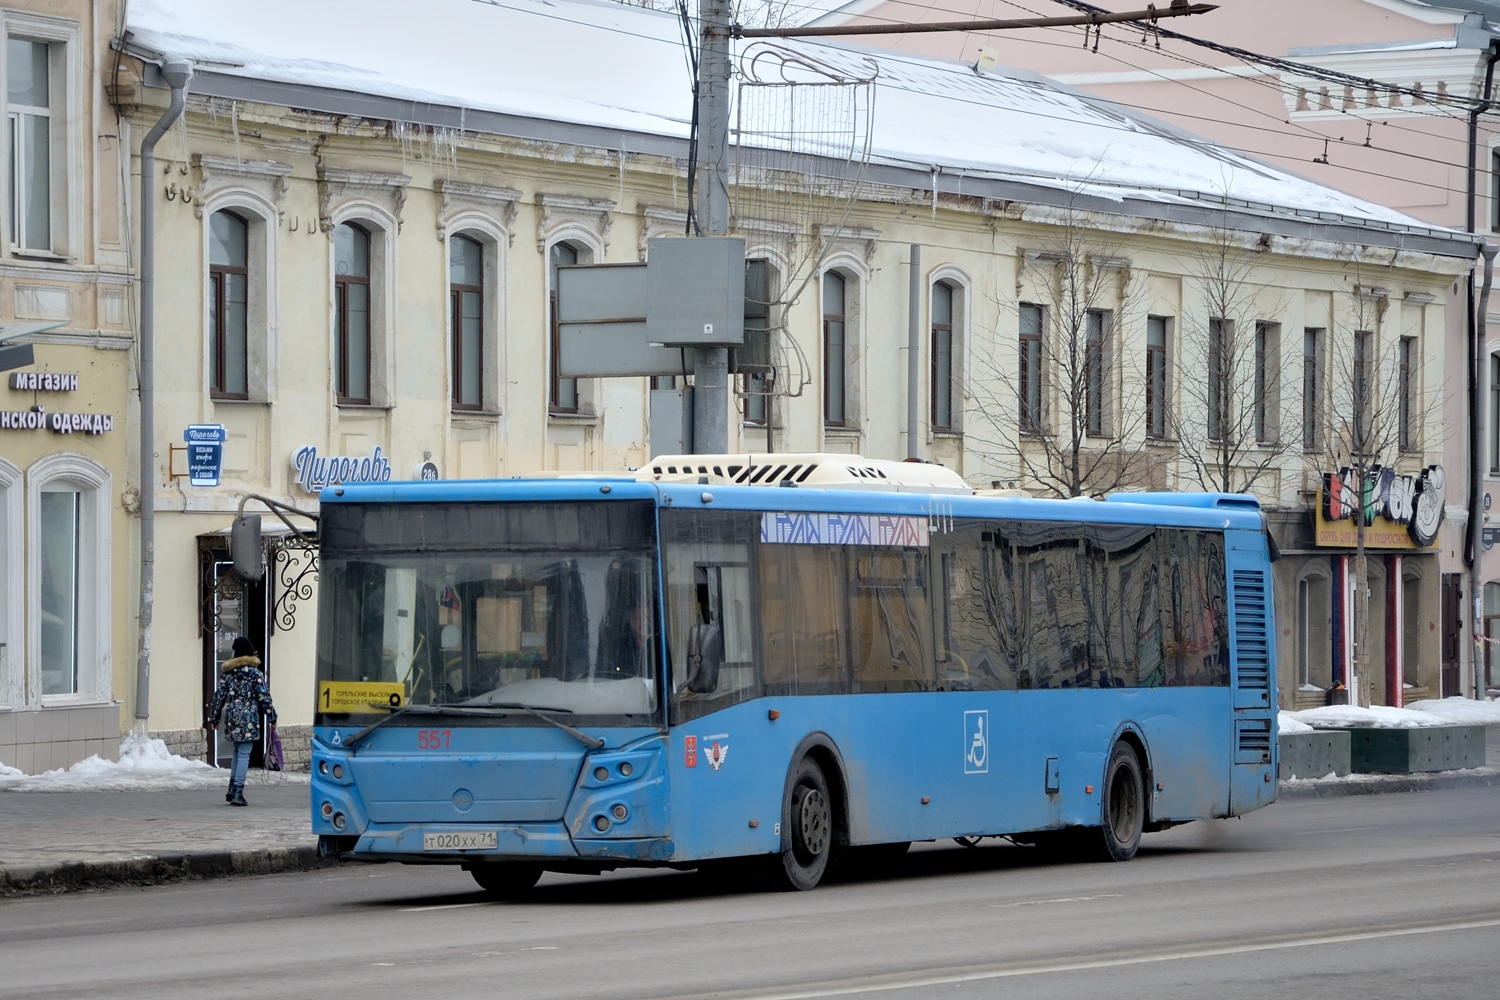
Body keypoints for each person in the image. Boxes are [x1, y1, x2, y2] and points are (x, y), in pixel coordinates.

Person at [207, 636, 277, 806]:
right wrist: (272, 716)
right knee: (245, 753)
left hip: (232, 716)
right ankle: (238, 790)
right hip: (249, 716)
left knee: (237, 752)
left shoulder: (227, 675)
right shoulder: (255, 674)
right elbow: (263, 697)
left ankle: (231, 788)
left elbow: (219, 697)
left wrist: (214, 717)